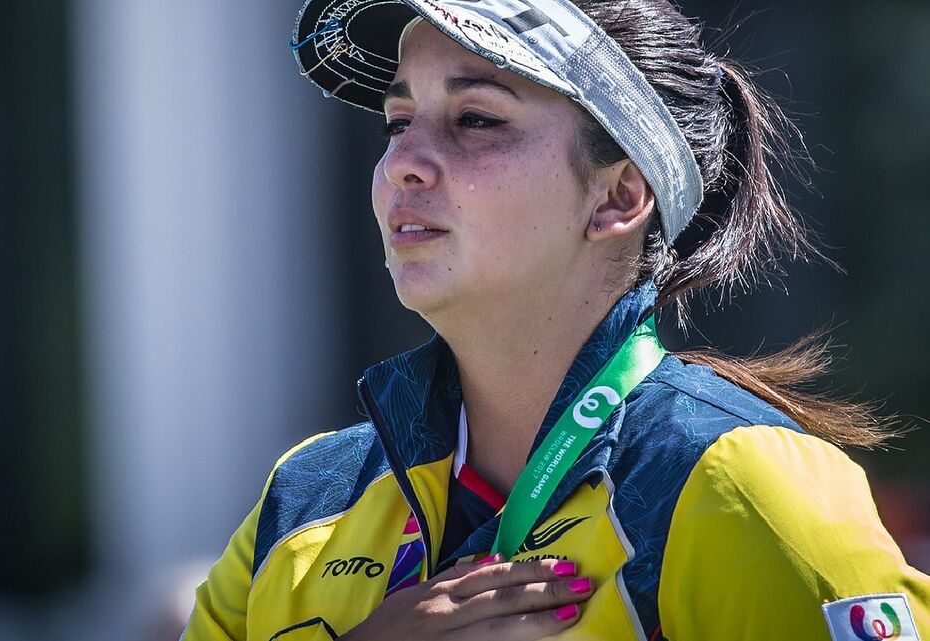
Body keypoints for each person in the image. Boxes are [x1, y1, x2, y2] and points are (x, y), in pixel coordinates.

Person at [181, 0, 930, 639]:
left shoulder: (741, 487)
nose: (403, 160)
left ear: (618, 197)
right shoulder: (303, 499)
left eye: (476, 119)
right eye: (396, 120)